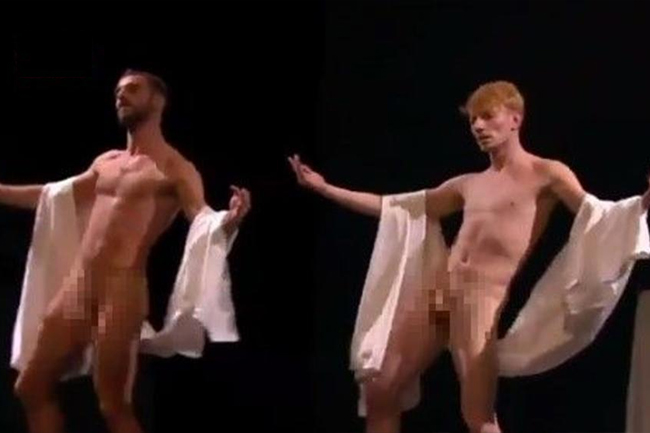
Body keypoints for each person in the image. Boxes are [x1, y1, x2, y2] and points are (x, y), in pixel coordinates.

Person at [289, 80, 650, 433]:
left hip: (479, 302)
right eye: (473, 119)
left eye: (488, 116)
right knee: (381, 389)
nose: (478, 126)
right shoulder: (468, 183)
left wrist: (644, 203)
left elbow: (599, 214)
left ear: (515, 118)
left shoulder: (546, 173)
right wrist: (325, 188)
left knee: (478, 418)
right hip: (440, 294)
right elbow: (397, 206)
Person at [0, 69, 251, 433]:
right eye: (118, 91)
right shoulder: (107, 161)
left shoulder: (174, 168)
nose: (121, 96)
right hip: (78, 286)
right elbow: (53, 196)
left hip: (121, 289)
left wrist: (230, 220)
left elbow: (201, 216)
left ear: (158, 101)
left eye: (132, 89)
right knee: (31, 387)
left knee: (114, 405)